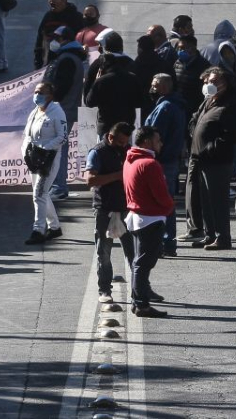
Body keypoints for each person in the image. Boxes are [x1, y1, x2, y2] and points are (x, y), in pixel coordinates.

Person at [187, 67, 236, 251]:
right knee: (205, 200)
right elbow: (195, 119)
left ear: (224, 84)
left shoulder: (230, 105)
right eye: (208, 81)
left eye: (213, 81)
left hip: (216, 161)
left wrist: (209, 148)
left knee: (217, 201)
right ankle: (209, 234)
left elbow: (230, 136)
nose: (209, 84)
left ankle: (222, 237)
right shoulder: (209, 101)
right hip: (200, 159)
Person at [123, 126, 174, 318]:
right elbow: (161, 194)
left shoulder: (131, 160)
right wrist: (168, 207)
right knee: (144, 263)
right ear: (146, 142)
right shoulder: (149, 164)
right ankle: (141, 304)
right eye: (157, 139)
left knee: (140, 262)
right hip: (150, 218)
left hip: (137, 216)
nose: (160, 143)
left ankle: (138, 301)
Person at [87, 122, 135, 303]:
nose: (124, 146)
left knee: (133, 252)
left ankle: (138, 289)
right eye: (120, 142)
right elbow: (90, 180)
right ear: (110, 137)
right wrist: (118, 175)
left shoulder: (128, 150)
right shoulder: (97, 152)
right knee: (104, 253)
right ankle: (104, 290)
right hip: (104, 208)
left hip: (126, 208)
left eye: (126, 142)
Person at [146, 74, 187, 255]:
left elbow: (153, 136)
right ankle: (167, 242)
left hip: (162, 161)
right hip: (169, 160)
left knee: (161, 202)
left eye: (155, 85)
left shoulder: (165, 108)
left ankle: (164, 242)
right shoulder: (173, 105)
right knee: (166, 202)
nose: (152, 88)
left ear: (164, 88)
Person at [43, 28, 86, 200]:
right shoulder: (70, 57)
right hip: (65, 109)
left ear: (64, 39)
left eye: (57, 38)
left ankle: (59, 187)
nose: (53, 41)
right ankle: (58, 186)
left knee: (57, 150)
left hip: (62, 109)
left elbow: (61, 87)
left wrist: (49, 101)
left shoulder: (67, 59)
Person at [23, 82, 68, 245]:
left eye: (41, 92)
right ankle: (55, 227)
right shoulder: (35, 112)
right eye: (35, 91)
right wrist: (27, 152)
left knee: (39, 194)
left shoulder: (57, 113)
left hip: (48, 160)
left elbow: (62, 137)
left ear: (50, 95)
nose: (37, 95)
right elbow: (27, 134)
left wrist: (46, 149)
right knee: (42, 194)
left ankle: (38, 230)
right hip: (34, 159)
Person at [86, 53, 141, 136]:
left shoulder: (101, 81)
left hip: (106, 126)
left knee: (105, 148)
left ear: (102, 68)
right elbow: (140, 102)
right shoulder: (132, 78)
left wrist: (96, 82)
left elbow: (89, 102)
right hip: (126, 125)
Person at [173, 35, 208, 115]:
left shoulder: (203, 66)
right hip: (178, 108)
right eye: (179, 48)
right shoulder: (178, 62)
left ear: (192, 48)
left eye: (182, 48)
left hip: (192, 111)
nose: (180, 51)